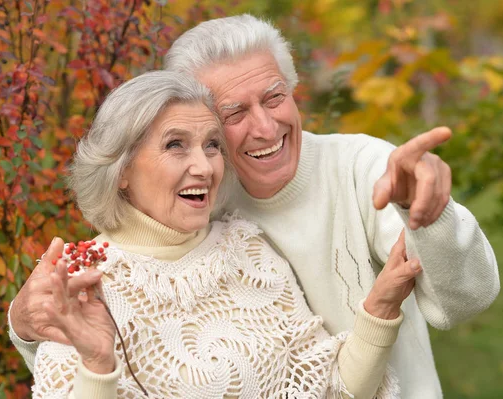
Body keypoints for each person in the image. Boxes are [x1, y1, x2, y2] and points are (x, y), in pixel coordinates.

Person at [9, 14, 500, 398]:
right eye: (234, 113)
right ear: (122, 172)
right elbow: (80, 349)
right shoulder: (191, 213)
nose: (264, 128)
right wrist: (28, 325)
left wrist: (431, 219)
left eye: (274, 97)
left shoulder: (363, 169)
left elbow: (463, 300)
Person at [26, 70, 420, 398]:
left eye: (212, 145)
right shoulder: (82, 279)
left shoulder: (246, 250)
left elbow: (333, 390)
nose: (204, 167)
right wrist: (98, 366)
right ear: (122, 169)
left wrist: (381, 309)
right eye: (176, 145)